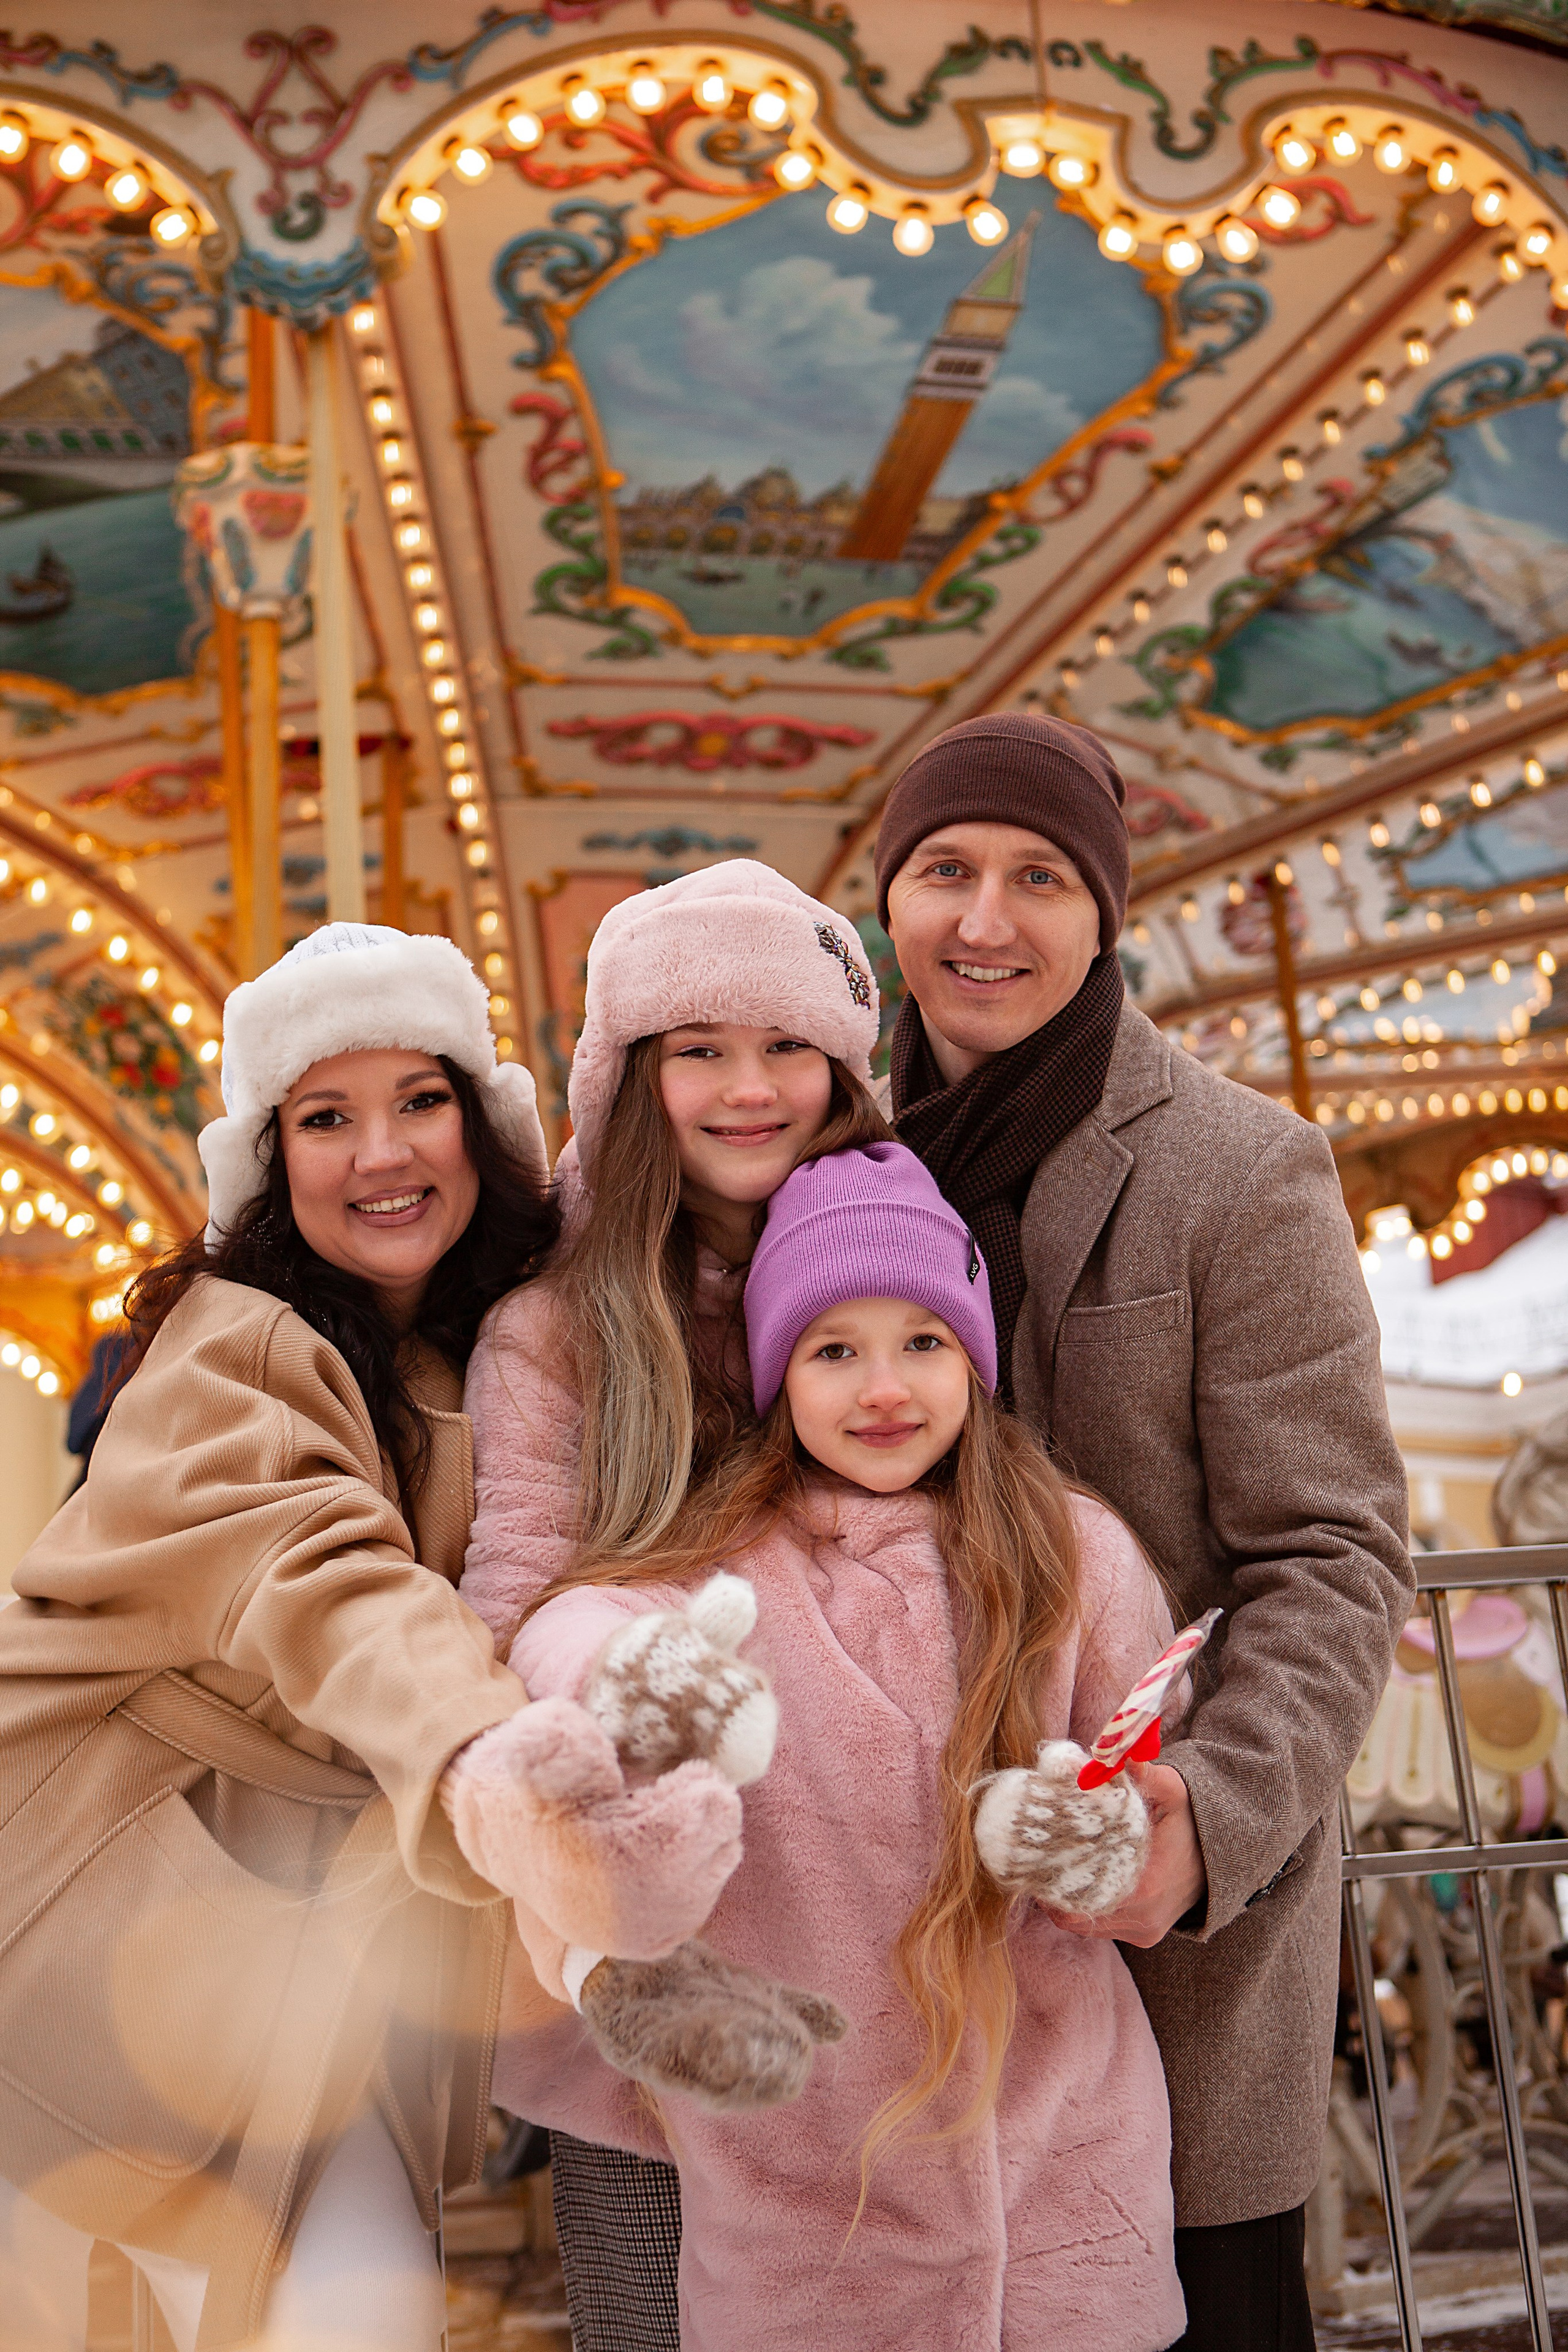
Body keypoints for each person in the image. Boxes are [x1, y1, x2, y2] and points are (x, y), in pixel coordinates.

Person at [0, 924, 745, 2352]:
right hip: (105, 1907)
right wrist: (485, 1756)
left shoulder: (500, 1348)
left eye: (419, 1098)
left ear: (480, 1120)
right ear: (275, 1161)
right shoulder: (231, 1347)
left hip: (315, 1957)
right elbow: (327, 1583)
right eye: (325, 1118)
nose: (382, 1151)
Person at [872, 712, 1415, 2351]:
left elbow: (1334, 1554)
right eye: (945, 870)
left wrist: (1210, 1817)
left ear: (1105, 914)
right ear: (886, 901)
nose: (985, 919)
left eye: (1040, 877)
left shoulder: (1237, 1170)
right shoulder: (830, 1156)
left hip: (1156, 1922)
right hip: (897, 1914)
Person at [473, 1141, 1188, 2352]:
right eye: (833, 1350)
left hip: (1068, 2207)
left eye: (922, 1340)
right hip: (809, 2239)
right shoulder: (719, 1579)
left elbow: (1141, 1810)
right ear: (776, 1374)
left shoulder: (1078, 1557)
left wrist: (1106, 1843)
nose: (883, 1387)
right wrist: (629, 1678)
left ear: (973, 1355)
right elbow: (566, 1629)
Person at [461, 859, 885, 2352]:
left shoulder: (894, 1302)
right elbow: (516, 1593)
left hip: (875, 1914)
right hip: (670, 1928)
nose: (747, 1087)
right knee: (655, 2313)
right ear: (628, 1079)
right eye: (697, 1050)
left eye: (785, 1047)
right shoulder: (554, 1328)